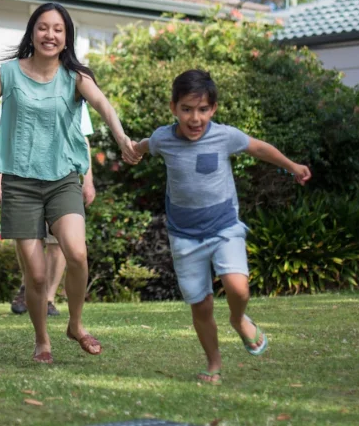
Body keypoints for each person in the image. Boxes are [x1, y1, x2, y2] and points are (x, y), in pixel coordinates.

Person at [0, 2, 139, 363]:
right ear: (32, 33)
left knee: (78, 252)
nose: (49, 35)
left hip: (63, 179)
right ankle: (42, 340)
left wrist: (122, 139)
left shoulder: (76, 77)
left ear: (66, 36)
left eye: (57, 29)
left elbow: (102, 105)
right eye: (42, 27)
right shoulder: (8, 74)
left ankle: (75, 324)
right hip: (20, 182)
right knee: (36, 277)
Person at [132, 69, 311, 385]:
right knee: (200, 305)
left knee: (238, 286)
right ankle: (213, 364)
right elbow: (147, 144)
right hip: (184, 236)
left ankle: (239, 319)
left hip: (224, 227)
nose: (195, 118)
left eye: (202, 110)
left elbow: (258, 148)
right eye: (186, 109)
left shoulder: (225, 136)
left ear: (213, 109)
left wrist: (292, 166)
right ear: (173, 108)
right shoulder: (164, 138)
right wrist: (134, 149)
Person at [7, 103, 96, 317]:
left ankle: (48, 297)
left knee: (59, 241)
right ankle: (28, 285)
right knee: (28, 236)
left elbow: (82, 138)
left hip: (63, 177)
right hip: (24, 175)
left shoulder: (72, 90)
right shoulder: (17, 87)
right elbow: (7, 134)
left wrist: (89, 179)